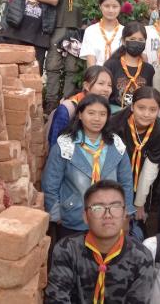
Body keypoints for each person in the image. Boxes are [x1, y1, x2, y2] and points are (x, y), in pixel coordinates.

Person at [42, 95, 135, 240]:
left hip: (109, 218)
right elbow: (50, 183)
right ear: (80, 114)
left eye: (102, 114)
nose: (97, 119)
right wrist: (56, 214)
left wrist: (125, 213)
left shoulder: (116, 144)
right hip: (73, 217)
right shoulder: (65, 145)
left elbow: (126, 182)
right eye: (91, 113)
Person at [45, 180, 155, 303]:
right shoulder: (67, 249)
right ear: (85, 217)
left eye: (115, 207)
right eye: (98, 208)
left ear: (125, 214)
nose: (107, 215)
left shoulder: (141, 257)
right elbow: (57, 299)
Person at [109, 87, 160, 237]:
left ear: (159, 110)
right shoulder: (115, 123)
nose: (146, 114)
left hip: (141, 183)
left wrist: (139, 202)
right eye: (141, 108)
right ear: (132, 106)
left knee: (138, 219)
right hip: (113, 176)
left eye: (152, 110)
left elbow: (150, 170)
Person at [44, 0, 91, 113]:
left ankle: (67, 104)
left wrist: (87, 22)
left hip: (78, 26)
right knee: (53, 65)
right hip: (58, 22)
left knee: (72, 67)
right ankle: (50, 102)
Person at [46, 65, 113, 149]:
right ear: (86, 86)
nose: (106, 89)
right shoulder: (67, 110)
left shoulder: (108, 110)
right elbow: (55, 145)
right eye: (101, 83)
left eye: (109, 85)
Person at [103, 22, 154, 109]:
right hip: (115, 114)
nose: (136, 42)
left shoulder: (149, 69)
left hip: (139, 114)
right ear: (123, 41)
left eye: (141, 40)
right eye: (132, 39)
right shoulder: (111, 65)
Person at [80, 0, 124, 67]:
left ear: (120, 7)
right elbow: (91, 64)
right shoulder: (91, 31)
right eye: (107, 6)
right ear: (100, 6)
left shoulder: (125, 31)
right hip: (97, 73)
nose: (111, 10)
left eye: (115, 6)